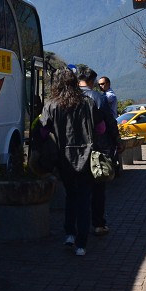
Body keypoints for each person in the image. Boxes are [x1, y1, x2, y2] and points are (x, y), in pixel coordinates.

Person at [38, 67, 97, 256]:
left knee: (70, 195)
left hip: (63, 159)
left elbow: (43, 131)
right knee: (84, 199)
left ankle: (69, 234)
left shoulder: (51, 105)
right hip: (86, 156)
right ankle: (82, 244)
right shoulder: (88, 102)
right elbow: (101, 127)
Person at [77, 65, 121, 237]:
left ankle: (75, 229)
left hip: (74, 151)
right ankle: (98, 223)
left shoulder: (68, 97)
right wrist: (117, 141)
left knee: (78, 190)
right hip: (97, 149)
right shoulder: (98, 98)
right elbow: (109, 122)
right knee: (98, 188)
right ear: (92, 81)